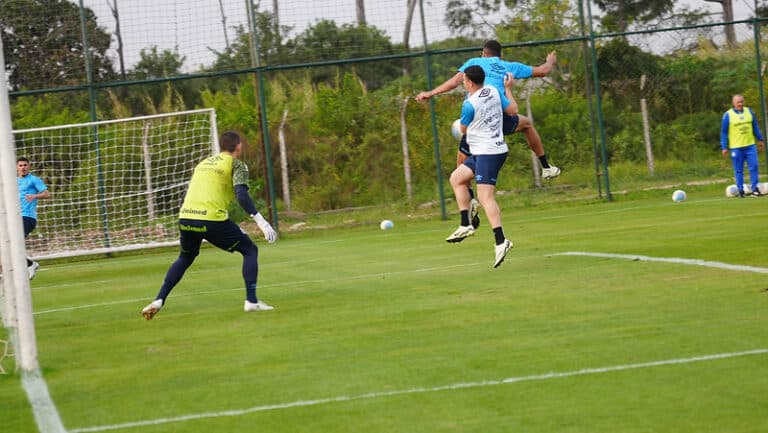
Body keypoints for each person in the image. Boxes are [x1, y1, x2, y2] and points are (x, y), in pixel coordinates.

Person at [141, 131, 278, 320]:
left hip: (186, 217)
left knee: (186, 257)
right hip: (212, 219)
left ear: (221, 147)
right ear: (238, 147)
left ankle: (159, 300)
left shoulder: (203, 163)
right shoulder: (237, 165)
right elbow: (241, 194)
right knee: (250, 250)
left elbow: (190, 192)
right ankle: (252, 301)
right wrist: (261, 222)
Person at [415, 40, 559, 181]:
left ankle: (470, 199)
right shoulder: (509, 67)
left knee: (461, 161)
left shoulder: (474, 62)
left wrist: (430, 93)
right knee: (527, 124)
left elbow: (453, 83)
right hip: (498, 119)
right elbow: (543, 71)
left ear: (483, 53)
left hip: (476, 121)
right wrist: (550, 61)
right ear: (500, 56)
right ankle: (546, 167)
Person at [445, 65, 515, 268]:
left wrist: (462, 124)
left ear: (469, 82)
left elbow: (463, 129)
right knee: (457, 178)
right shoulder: (493, 90)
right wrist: (508, 89)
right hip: (489, 149)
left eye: (464, 80)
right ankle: (465, 224)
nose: (463, 83)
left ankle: (501, 241)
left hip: (488, 153)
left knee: (486, 197)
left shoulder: (469, 104)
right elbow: (510, 109)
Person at [720, 94, 765, 197]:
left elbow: (755, 126)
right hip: (736, 147)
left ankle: (755, 189)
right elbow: (724, 132)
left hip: (750, 146)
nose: (740, 104)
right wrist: (724, 146)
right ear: (733, 103)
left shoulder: (749, 112)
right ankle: (740, 190)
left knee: (754, 166)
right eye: (738, 102)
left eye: (741, 102)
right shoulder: (728, 115)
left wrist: (760, 139)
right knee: (738, 169)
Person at [16, 157, 51, 280]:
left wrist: (34, 196)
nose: (23, 168)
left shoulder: (34, 180)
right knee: (8, 246)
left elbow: (47, 194)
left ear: (29, 166)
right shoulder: (13, 181)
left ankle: (30, 264)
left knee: (15, 244)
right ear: (16, 167)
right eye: (20, 165)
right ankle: (30, 264)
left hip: (27, 217)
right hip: (14, 218)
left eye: (25, 165)